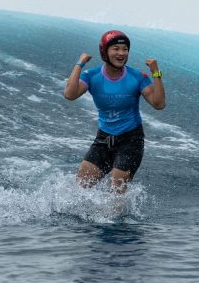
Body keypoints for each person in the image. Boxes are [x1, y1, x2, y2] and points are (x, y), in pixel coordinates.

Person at [63, 30, 165, 193]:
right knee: (80, 187)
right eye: (116, 48)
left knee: (117, 192)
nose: (121, 53)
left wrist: (156, 73)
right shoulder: (92, 75)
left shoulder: (138, 77)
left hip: (131, 140)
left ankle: (116, 219)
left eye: (125, 49)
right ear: (105, 51)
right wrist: (79, 64)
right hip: (104, 139)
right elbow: (70, 94)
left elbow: (158, 104)